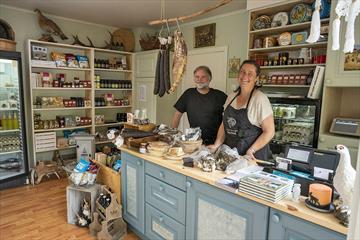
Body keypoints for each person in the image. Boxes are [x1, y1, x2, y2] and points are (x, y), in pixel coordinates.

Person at [208, 60, 275, 160]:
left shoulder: (260, 99)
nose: (245, 76)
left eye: (250, 74)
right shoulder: (231, 97)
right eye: (242, 72)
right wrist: (217, 144)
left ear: (256, 78)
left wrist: (252, 150)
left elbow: (269, 131)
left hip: (252, 157)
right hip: (231, 156)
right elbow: (224, 124)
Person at [171, 66, 227, 145]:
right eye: (197, 77)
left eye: (203, 77)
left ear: (210, 78)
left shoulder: (220, 96)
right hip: (194, 141)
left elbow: (228, 118)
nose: (199, 80)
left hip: (216, 142)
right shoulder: (188, 94)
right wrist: (173, 135)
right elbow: (177, 115)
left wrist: (219, 142)